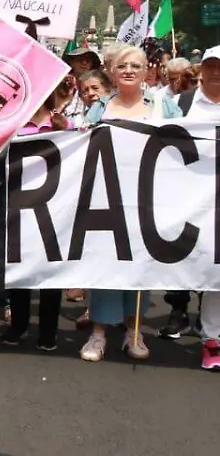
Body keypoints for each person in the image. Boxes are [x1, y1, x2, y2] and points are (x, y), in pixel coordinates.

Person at [79, 44, 182, 362]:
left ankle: (133, 330)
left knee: (139, 262)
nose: (128, 71)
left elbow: (183, 142)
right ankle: (98, 333)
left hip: (148, 198)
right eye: (122, 66)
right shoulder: (100, 107)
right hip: (105, 198)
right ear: (112, 71)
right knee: (103, 261)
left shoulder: (163, 106)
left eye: (135, 66)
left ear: (146, 72)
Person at [162, 45, 220, 370]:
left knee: (218, 269)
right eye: (210, 66)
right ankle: (179, 310)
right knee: (189, 260)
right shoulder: (181, 104)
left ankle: (212, 338)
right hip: (187, 197)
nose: (215, 73)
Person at [0, 94, 67, 351]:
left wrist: (64, 132)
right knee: (20, 267)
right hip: (18, 205)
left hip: (56, 207)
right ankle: (18, 325)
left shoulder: (63, 125)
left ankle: (48, 330)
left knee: (51, 270)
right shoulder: (12, 125)